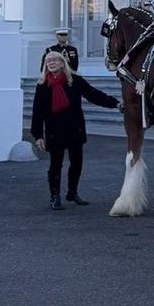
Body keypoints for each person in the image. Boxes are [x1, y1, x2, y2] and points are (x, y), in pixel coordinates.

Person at [30, 50, 122, 209]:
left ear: (62, 63)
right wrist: (38, 135)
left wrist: (115, 104)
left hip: (74, 127)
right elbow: (37, 112)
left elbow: (94, 95)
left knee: (77, 163)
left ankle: (72, 192)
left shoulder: (75, 80)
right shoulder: (42, 85)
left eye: (54, 60)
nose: (51, 63)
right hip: (54, 129)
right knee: (55, 164)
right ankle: (55, 196)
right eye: (48, 61)